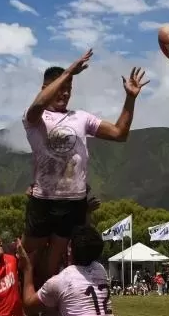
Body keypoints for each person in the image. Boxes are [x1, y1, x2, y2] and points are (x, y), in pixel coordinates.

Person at [22, 49, 150, 289]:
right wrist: (69, 71)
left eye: (69, 89)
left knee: (52, 263)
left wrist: (131, 98)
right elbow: (38, 103)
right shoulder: (34, 118)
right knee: (29, 258)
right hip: (44, 199)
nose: (65, 92)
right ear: (45, 88)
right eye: (60, 87)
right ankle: (25, 309)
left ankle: (46, 311)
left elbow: (119, 134)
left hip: (73, 201)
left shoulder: (80, 117)